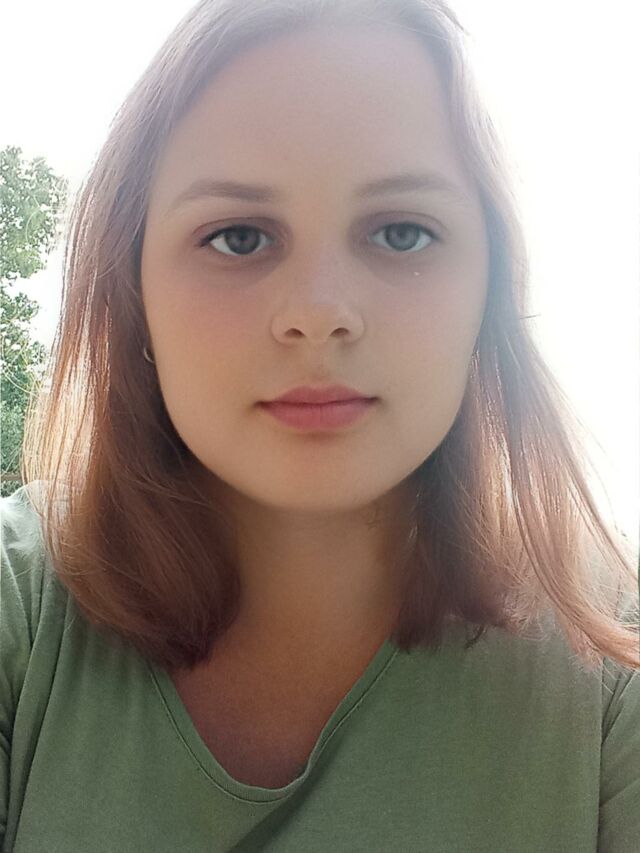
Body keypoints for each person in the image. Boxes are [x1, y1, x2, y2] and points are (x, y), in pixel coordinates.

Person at [1, 0, 638, 850]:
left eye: (402, 231)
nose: (319, 312)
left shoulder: (613, 664)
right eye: (238, 236)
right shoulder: (21, 609)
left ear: (489, 289)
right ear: (131, 289)